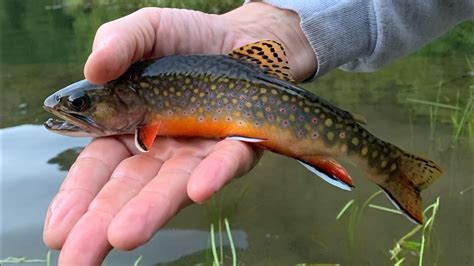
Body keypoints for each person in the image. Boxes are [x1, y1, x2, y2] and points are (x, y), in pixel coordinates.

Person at [42, 1, 472, 264]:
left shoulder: (147, 98)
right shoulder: (145, 109)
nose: (75, 112)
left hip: (271, 102)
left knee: (327, 146)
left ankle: (394, 169)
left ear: (125, 96)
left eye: (81, 105)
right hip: (263, 95)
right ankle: (392, 168)